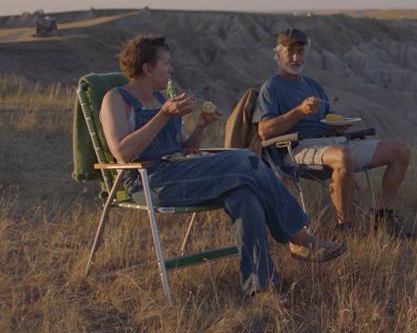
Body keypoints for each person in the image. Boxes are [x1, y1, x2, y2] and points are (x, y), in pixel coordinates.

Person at [99, 34, 345, 301]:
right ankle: (299, 237)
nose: (171, 70)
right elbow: (122, 153)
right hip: (150, 180)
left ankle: (261, 288)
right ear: (147, 68)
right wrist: (163, 116)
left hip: (182, 172)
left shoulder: (161, 100)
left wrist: (201, 125)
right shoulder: (117, 99)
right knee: (247, 159)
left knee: (245, 197)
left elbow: (185, 148)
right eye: (166, 64)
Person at [253, 28, 413, 238]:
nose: (295, 57)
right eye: (290, 52)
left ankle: (383, 217)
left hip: (333, 141)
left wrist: (338, 125)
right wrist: (299, 112)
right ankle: (343, 228)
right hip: (297, 148)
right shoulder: (271, 88)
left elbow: (329, 117)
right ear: (278, 54)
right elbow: (264, 132)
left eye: (300, 51)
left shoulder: (312, 85)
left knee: (400, 151)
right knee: (342, 156)